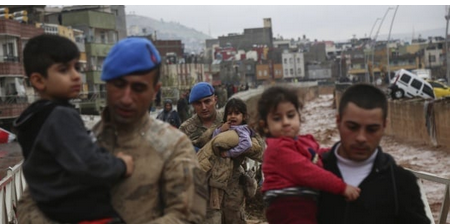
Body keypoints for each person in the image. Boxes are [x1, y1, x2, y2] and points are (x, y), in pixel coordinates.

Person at [17, 37, 207, 223]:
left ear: (155, 91)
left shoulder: (173, 146)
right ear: (106, 84)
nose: (126, 98)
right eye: (119, 85)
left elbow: (187, 216)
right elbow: (30, 204)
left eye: (138, 88)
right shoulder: (74, 138)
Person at [13, 34, 134, 223]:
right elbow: (89, 164)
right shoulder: (61, 116)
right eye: (64, 70)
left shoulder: (34, 118)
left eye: (76, 68)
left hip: (52, 209)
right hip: (84, 213)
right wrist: (121, 165)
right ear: (38, 81)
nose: (76, 75)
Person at [318, 83, 431, 224]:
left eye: (372, 129)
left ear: (384, 126)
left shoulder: (400, 183)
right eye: (352, 127)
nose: (361, 138)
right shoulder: (313, 173)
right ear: (338, 121)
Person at [256, 85, 360, 224]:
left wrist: (340, 151)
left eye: (291, 115)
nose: (286, 122)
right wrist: (342, 187)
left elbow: (316, 155)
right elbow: (310, 173)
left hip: (304, 205)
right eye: (277, 118)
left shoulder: (302, 142)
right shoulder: (277, 150)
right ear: (265, 126)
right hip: (288, 208)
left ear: (299, 116)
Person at [180, 84, 264, 224]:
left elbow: (261, 152)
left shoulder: (232, 117)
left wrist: (237, 144)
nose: (204, 107)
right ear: (192, 105)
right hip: (205, 193)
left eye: (207, 101)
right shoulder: (186, 129)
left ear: (215, 99)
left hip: (233, 192)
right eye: (198, 103)